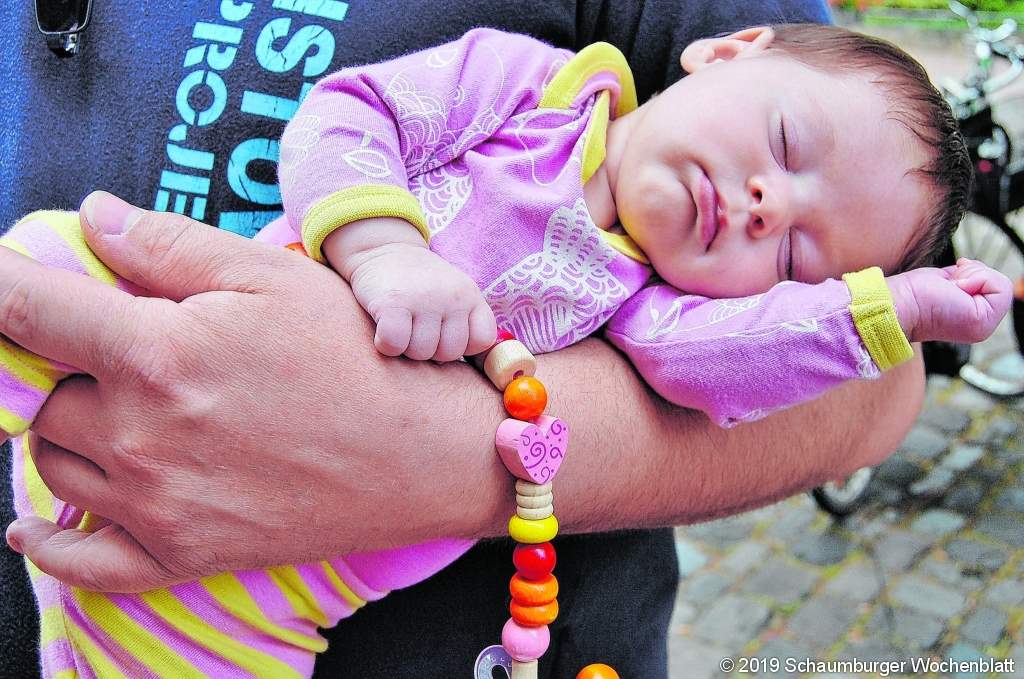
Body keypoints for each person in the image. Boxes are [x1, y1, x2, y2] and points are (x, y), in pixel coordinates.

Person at [0, 20, 1010, 678]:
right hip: (126, 339)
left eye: (793, 255)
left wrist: (892, 310)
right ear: (728, 51)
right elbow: (354, 111)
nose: (764, 204)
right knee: (49, 257)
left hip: (283, 584)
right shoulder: (534, 89)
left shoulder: (657, 311)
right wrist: (382, 249)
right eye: (785, 145)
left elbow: (748, 368)